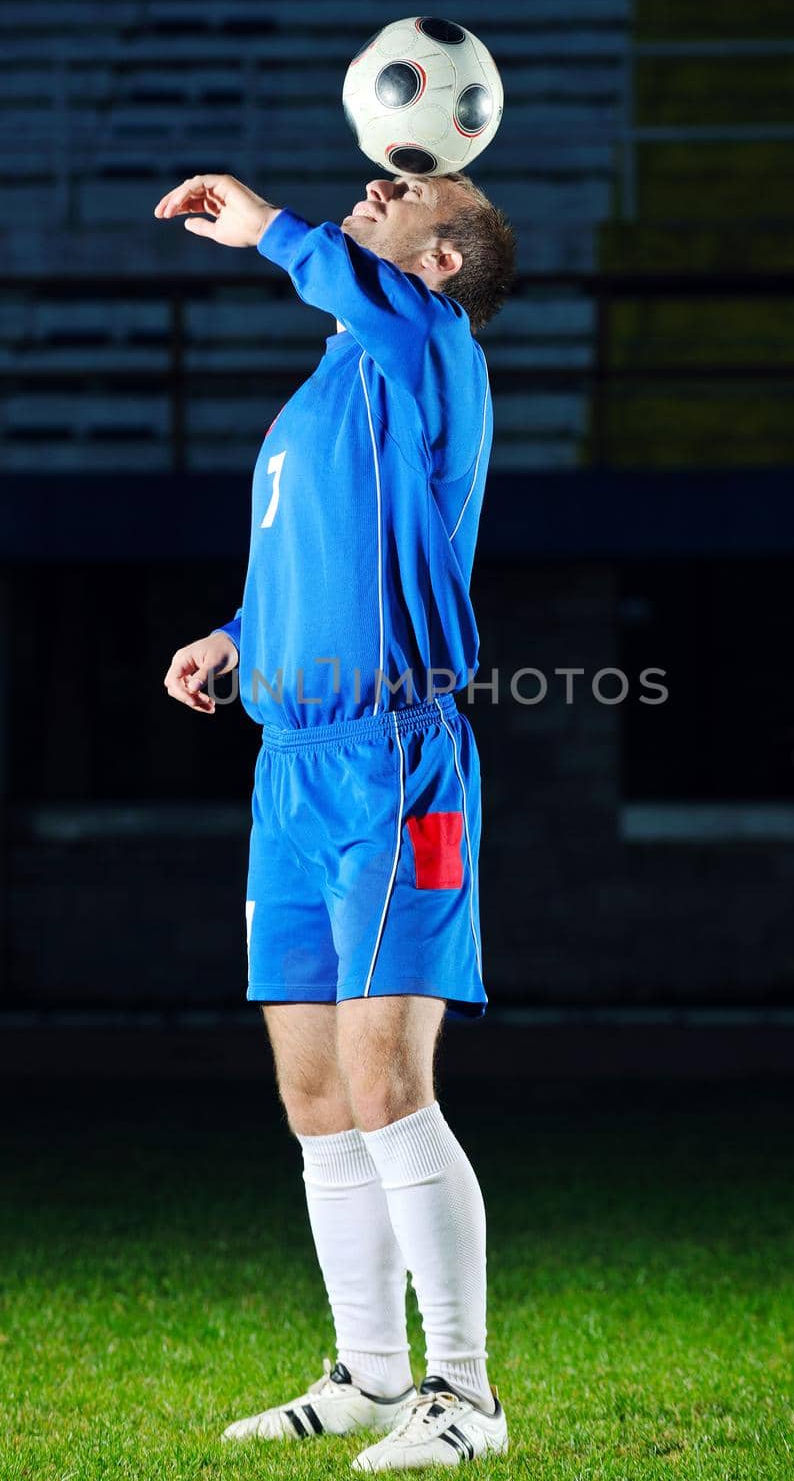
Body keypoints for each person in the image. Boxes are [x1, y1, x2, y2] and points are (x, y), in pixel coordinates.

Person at [157, 168, 516, 1472]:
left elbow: (390, 304)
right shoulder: (324, 393)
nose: (376, 182)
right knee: (313, 1094)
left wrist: (273, 232)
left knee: (385, 1078)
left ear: (441, 259)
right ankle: (367, 1377)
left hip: (398, 767)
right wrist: (235, 637)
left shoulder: (432, 347)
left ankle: (464, 1396)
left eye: (412, 187)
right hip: (291, 767)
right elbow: (308, 563)